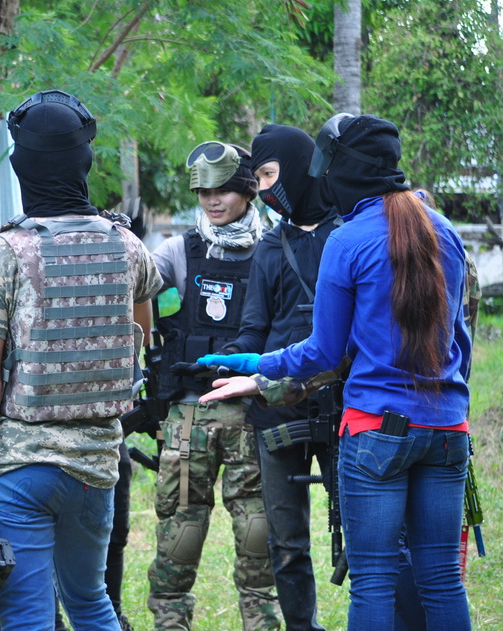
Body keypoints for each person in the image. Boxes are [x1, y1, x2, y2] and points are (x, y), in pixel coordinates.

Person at [197, 115, 472, 630]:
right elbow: (461, 341)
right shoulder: (445, 231)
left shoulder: (347, 241)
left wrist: (256, 368)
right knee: (441, 578)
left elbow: (322, 353)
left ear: (343, 172)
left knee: (373, 580)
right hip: (447, 429)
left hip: (376, 431)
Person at [0, 89, 162, 630]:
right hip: (97, 466)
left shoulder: (1, 255)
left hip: (20, 471)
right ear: (83, 163)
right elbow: (140, 340)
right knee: (91, 602)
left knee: (28, 615)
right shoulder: (128, 247)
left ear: (22, 167)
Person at [146, 140, 280, 631]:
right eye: (203, 192)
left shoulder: (274, 249)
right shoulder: (178, 251)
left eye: (222, 190)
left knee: (258, 535)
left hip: (253, 412)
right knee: (179, 535)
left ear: (247, 190)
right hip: (190, 414)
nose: (212, 200)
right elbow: (135, 286)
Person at [226, 124, 341, 631]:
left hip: (344, 405)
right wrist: (230, 360)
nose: (266, 189)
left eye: (271, 174)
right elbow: (255, 328)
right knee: (287, 542)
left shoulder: (347, 235)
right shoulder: (271, 246)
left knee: (364, 535)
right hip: (277, 406)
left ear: (299, 167)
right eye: (259, 180)